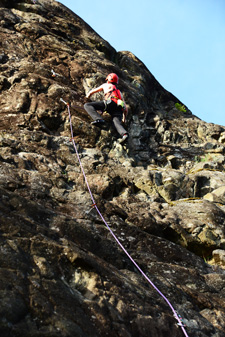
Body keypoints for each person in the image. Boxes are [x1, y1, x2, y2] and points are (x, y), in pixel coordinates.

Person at [84, 73, 129, 143]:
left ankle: (99, 119)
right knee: (116, 123)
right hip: (119, 108)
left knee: (87, 105)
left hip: (110, 103)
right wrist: (124, 119)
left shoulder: (105, 85)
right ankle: (124, 134)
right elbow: (125, 109)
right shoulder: (119, 92)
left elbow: (91, 92)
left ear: (108, 79)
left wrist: (87, 98)